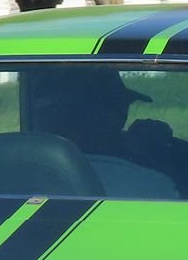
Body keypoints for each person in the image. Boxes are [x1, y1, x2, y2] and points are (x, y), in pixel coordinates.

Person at [26, 67, 178, 199]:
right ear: (110, 114)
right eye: (121, 105)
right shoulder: (152, 186)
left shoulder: (10, 177)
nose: (122, 115)